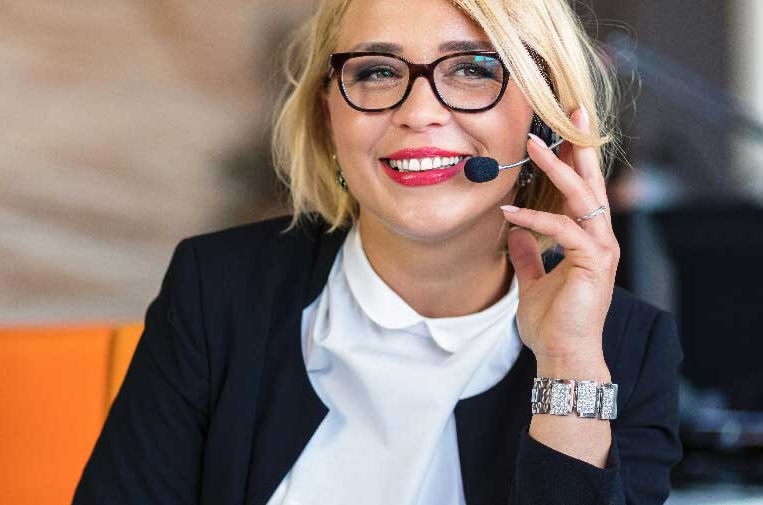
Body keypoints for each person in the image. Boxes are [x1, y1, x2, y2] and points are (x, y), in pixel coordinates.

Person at [72, 0, 683, 503]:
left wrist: (569, 363)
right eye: (376, 72)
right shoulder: (218, 288)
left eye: (473, 69)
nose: (418, 113)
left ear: (542, 116)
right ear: (329, 112)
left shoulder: (623, 346)